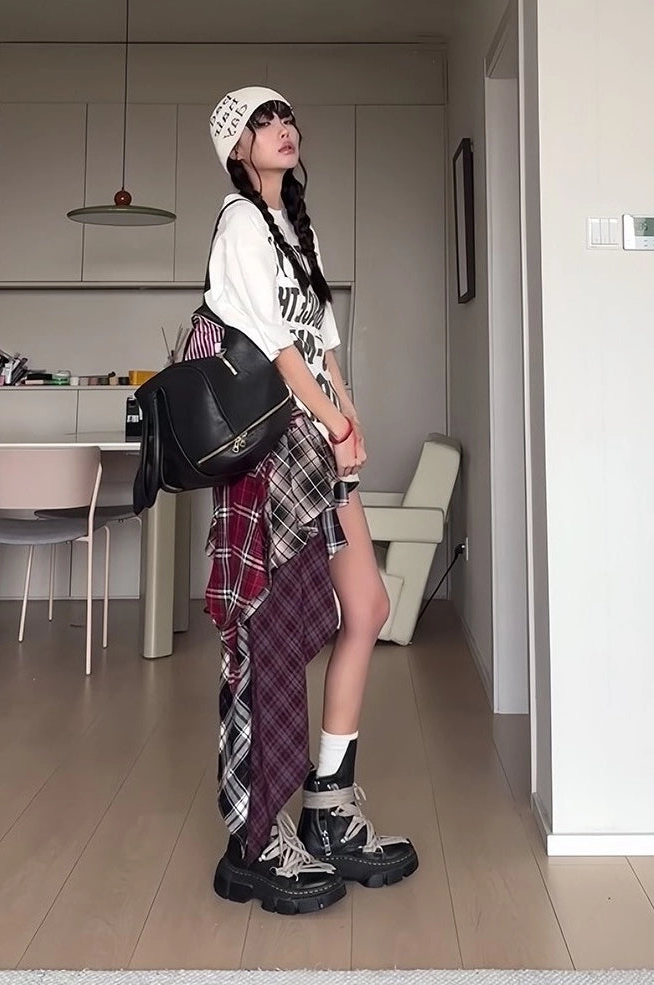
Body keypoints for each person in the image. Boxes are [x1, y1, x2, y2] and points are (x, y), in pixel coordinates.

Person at [195, 86, 418, 915]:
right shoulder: (239, 225)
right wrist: (332, 421)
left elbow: (322, 344)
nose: (281, 129)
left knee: (367, 606)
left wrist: (349, 418)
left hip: (317, 439)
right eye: (261, 123)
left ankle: (327, 805)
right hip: (275, 447)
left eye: (285, 117)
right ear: (236, 148)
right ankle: (254, 838)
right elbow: (277, 351)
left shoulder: (297, 228)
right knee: (273, 631)